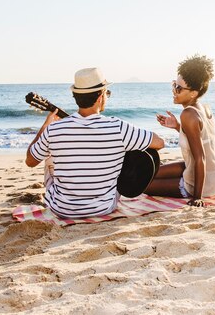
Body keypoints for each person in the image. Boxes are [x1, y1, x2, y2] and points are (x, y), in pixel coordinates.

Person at [25, 67, 165, 218]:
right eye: (107, 93)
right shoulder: (118, 127)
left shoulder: (53, 129)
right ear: (100, 97)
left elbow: (30, 161)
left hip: (62, 209)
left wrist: (45, 127)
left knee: (49, 154)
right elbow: (159, 143)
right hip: (103, 208)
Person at [147, 55, 215, 207]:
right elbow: (202, 138)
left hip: (203, 182)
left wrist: (197, 197)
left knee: (142, 186)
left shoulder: (188, 114)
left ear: (193, 93)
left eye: (179, 88)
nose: (174, 90)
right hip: (213, 174)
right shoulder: (203, 108)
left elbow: (199, 157)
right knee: (147, 174)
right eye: (174, 84)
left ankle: (193, 191)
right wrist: (177, 126)